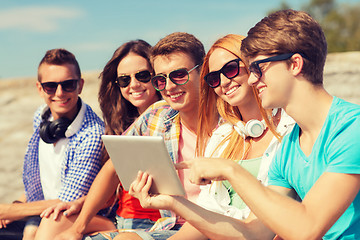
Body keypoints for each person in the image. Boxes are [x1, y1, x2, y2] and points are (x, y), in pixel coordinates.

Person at [160, 9, 360, 240]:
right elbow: (254, 233)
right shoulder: (289, 147)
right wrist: (172, 203)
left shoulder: (351, 128)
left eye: (258, 69)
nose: (253, 79)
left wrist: (230, 169)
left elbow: (307, 228)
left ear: (295, 64)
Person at [34, 32, 205, 240]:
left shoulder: (214, 124)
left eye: (143, 76)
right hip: (140, 222)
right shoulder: (150, 119)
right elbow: (110, 171)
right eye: (124, 80)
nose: (133, 85)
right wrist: (78, 220)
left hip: (164, 224)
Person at [128, 33, 295, 239]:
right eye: (214, 78)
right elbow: (207, 217)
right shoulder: (222, 137)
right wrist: (171, 202)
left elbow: (258, 232)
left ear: (253, 68)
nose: (224, 82)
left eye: (231, 69)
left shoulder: (291, 130)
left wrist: (229, 169)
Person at [0, 49, 106, 240]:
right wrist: (18, 204)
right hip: (46, 208)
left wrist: (9, 211)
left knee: (35, 233)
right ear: (40, 89)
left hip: (80, 213)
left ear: (80, 85)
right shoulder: (41, 116)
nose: (59, 93)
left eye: (68, 85)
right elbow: (42, 178)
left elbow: (67, 201)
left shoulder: (92, 134)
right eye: (50, 86)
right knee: (29, 231)